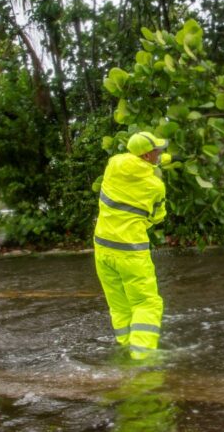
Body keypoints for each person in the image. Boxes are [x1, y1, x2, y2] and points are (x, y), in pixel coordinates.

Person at [94, 131, 169, 361]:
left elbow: (133, 166)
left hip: (102, 250)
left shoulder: (112, 165)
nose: (159, 153)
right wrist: (156, 174)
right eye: (157, 151)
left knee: (119, 306)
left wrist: (155, 165)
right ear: (147, 155)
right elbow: (157, 217)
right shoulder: (155, 186)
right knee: (147, 304)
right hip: (131, 252)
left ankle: (125, 350)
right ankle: (142, 359)